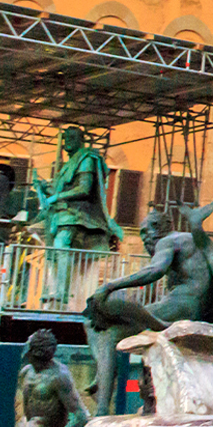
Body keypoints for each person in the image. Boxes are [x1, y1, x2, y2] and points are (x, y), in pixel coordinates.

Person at [84, 199, 213, 412]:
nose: (143, 239)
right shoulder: (195, 241)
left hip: (181, 305)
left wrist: (110, 285)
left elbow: (155, 271)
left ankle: (102, 406)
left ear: (156, 230)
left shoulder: (166, 242)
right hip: (201, 309)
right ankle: (105, 376)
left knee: (105, 332)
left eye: (144, 232)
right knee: (103, 328)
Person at [32, 127, 123, 302]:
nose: (67, 141)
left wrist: (56, 196)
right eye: (66, 137)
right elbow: (63, 189)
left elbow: (84, 189)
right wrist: (46, 188)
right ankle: (54, 289)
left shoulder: (86, 159)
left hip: (76, 214)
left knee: (61, 244)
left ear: (80, 139)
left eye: (72, 137)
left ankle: (62, 293)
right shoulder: (69, 163)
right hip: (61, 214)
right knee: (53, 248)